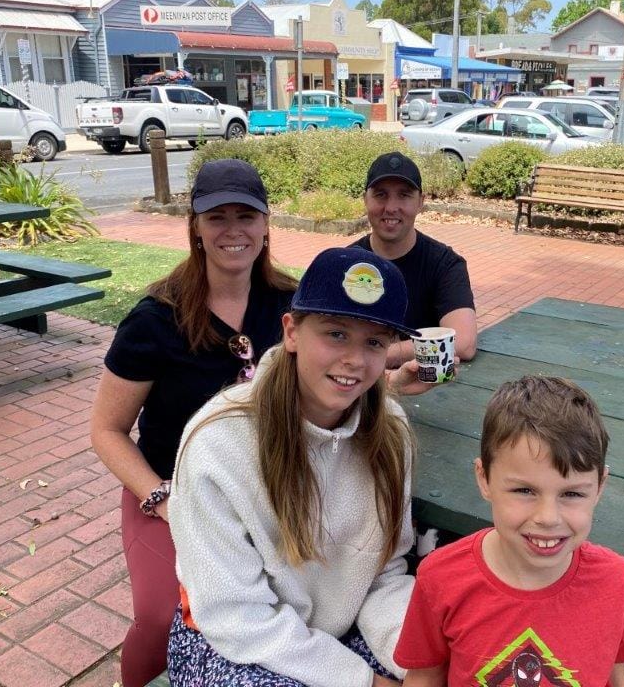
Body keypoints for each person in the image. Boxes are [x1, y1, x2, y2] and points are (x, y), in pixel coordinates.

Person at [167, 246, 434, 687]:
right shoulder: (218, 444)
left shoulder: (392, 433)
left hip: (339, 627)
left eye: (374, 341)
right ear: (291, 331)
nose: (354, 359)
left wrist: (415, 664)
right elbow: (235, 615)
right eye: (335, 333)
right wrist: (364, 682)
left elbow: (384, 573)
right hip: (235, 640)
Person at [89, 159, 297, 687]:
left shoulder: (291, 304)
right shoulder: (156, 318)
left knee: (287, 606)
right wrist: (160, 498)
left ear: (267, 223)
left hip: (263, 491)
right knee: (163, 617)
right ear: (196, 228)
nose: (233, 230)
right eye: (217, 217)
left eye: (246, 216)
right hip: (169, 491)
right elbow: (106, 430)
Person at [394, 376, 624, 687]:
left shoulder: (619, 582)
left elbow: (614, 664)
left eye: (572, 494)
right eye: (524, 490)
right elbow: (425, 673)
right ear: (484, 478)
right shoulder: (440, 577)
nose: (547, 517)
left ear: (600, 487)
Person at [352, 151, 477, 368]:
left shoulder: (445, 264)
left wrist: (383, 354)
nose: (391, 207)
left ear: (421, 202)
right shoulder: (346, 264)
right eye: (381, 194)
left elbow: (463, 342)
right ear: (365, 200)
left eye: (404, 195)